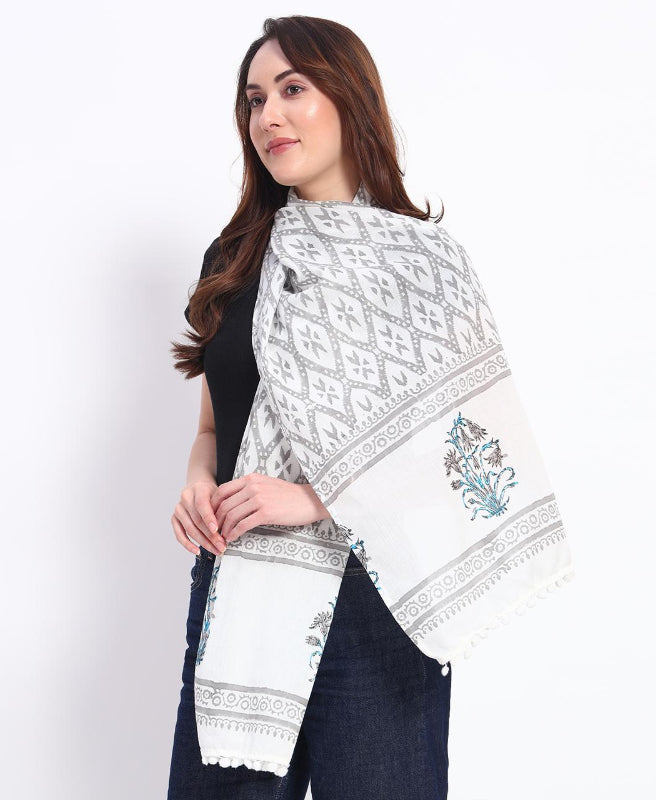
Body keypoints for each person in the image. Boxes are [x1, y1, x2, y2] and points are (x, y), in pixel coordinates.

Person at [167, 15, 451, 800]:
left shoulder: (416, 262)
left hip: (375, 597)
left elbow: (458, 455)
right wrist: (197, 483)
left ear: (350, 97)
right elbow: (214, 427)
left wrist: (311, 498)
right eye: (255, 99)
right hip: (237, 585)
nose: (269, 116)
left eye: (293, 89)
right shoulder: (235, 259)